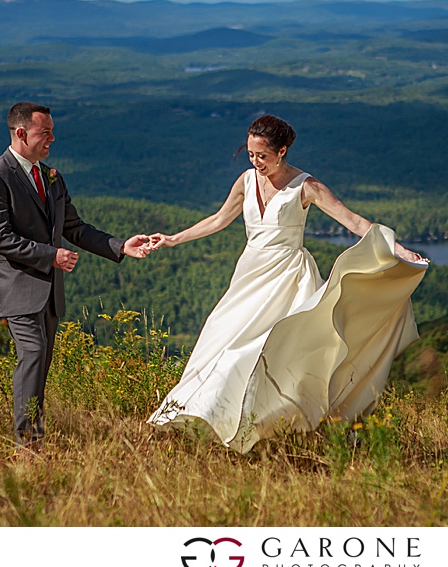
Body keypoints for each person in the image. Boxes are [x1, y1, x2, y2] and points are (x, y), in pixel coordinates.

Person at [147, 114, 428, 453]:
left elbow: (352, 220)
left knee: (276, 350)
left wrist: (398, 250)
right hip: (249, 276)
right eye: (250, 154)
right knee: (220, 342)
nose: (255, 162)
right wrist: (174, 239)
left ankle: (276, 427)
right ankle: (203, 421)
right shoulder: (246, 180)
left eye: (262, 156)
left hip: (288, 279)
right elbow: (220, 219)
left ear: (282, 151)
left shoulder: (306, 186)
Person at [0, 101, 152, 451]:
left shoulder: (52, 176)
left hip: (49, 290)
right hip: (15, 285)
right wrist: (51, 256)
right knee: (34, 353)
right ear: (21, 133)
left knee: (42, 361)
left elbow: (75, 228)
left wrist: (120, 246)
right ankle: (28, 443)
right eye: (45, 132)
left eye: (52, 131)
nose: (52, 138)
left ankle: (35, 432)